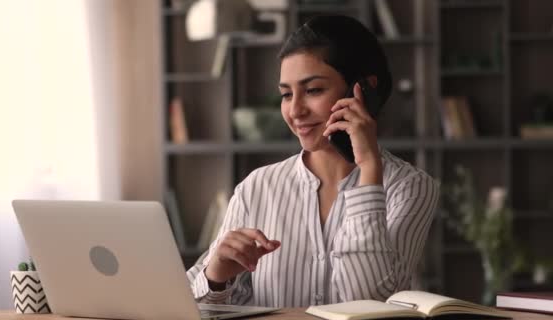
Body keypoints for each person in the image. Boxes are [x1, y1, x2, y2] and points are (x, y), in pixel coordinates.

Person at [186, 14, 439, 308]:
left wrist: (370, 169)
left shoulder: (410, 187)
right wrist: (217, 276)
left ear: (364, 90)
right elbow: (192, 302)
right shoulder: (257, 187)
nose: (294, 110)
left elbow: (372, 304)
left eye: (313, 90)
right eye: (285, 94)